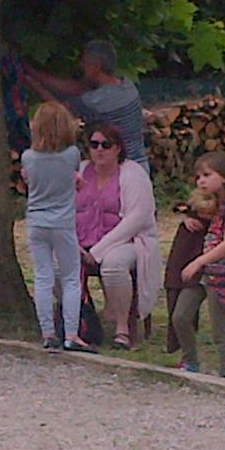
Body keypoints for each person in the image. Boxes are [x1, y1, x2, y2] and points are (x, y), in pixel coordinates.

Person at [74, 121, 158, 350]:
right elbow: (64, 209)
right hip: (82, 240)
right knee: (58, 261)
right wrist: (73, 244)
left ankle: (122, 328)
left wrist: (99, 250)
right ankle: (76, 321)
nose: (99, 150)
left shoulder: (133, 173)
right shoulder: (80, 171)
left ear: (118, 148)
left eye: (106, 144)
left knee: (113, 264)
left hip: (125, 240)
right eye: (94, 144)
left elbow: (136, 219)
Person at [25, 39, 150, 179]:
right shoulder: (127, 85)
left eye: (85, 63)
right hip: (140, 166)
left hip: (118, 172)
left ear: (96, 67)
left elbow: (60, 111)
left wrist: (34, 84)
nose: (81, 66)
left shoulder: (97, 101)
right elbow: (75, 87)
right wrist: (33, 72)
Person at [170, 155, 225, 379]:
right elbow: (185, 208)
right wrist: (186, 218)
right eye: (199, 177)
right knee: (180, 316)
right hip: (203, 275)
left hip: (221, 274)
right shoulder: (207, 202)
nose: (201, 181)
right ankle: (190, 361)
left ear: (223, 177)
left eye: (207, 175)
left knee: (219, 329)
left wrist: (198, 262)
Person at [21, 101, 81, 350]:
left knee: (43, 277)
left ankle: (47, 332)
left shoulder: (28, 157)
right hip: (63, 222)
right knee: (70, 279)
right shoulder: (72, 155)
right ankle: (71, 333)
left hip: (36, 220)